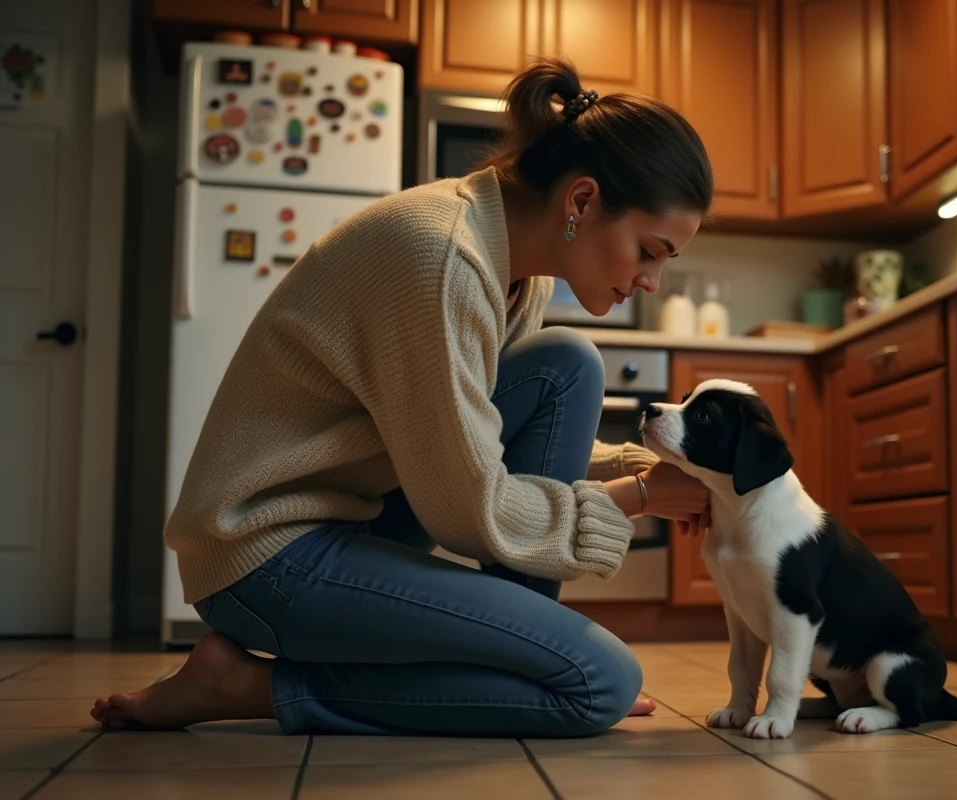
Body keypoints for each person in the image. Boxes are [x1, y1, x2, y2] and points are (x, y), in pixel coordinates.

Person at [92, 57, 715, 738]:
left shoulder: (516, 271)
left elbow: (458, 429)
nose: (652, 281)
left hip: (352, 523)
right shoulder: (443, 257)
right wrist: (644, 497)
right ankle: (244, 686)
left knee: (565, 364)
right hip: (266, 554)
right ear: (583, 201)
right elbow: (467, 505)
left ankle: (526, 658)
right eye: (650, 251)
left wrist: (640, 466)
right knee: (600, 685)